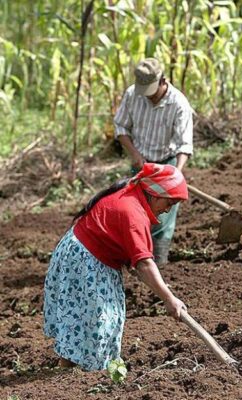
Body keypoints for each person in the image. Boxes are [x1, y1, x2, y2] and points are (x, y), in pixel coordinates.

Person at [43, 163, 188, 371]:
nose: (167, 210)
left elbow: (134, 256)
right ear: (155, 195)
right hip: (86, 262)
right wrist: (169, 299)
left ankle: (71, 371)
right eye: (169, 203)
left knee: (87, 320)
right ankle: (85, 376)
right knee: (99, 321)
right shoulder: (133, 212)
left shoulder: (132, 192)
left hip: (83, 255)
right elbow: (145, 263)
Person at [114, 58, 194, 264]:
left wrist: (177, 172)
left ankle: (159, 263)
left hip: (166, 165)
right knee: (134, 215)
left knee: (161, 219)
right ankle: (133, 261)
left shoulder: (178, 104)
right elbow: (121, 128)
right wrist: (135, 154)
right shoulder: (133, 95)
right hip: (140, 165)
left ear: (162, 81)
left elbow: (184, 144)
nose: (147, 96)